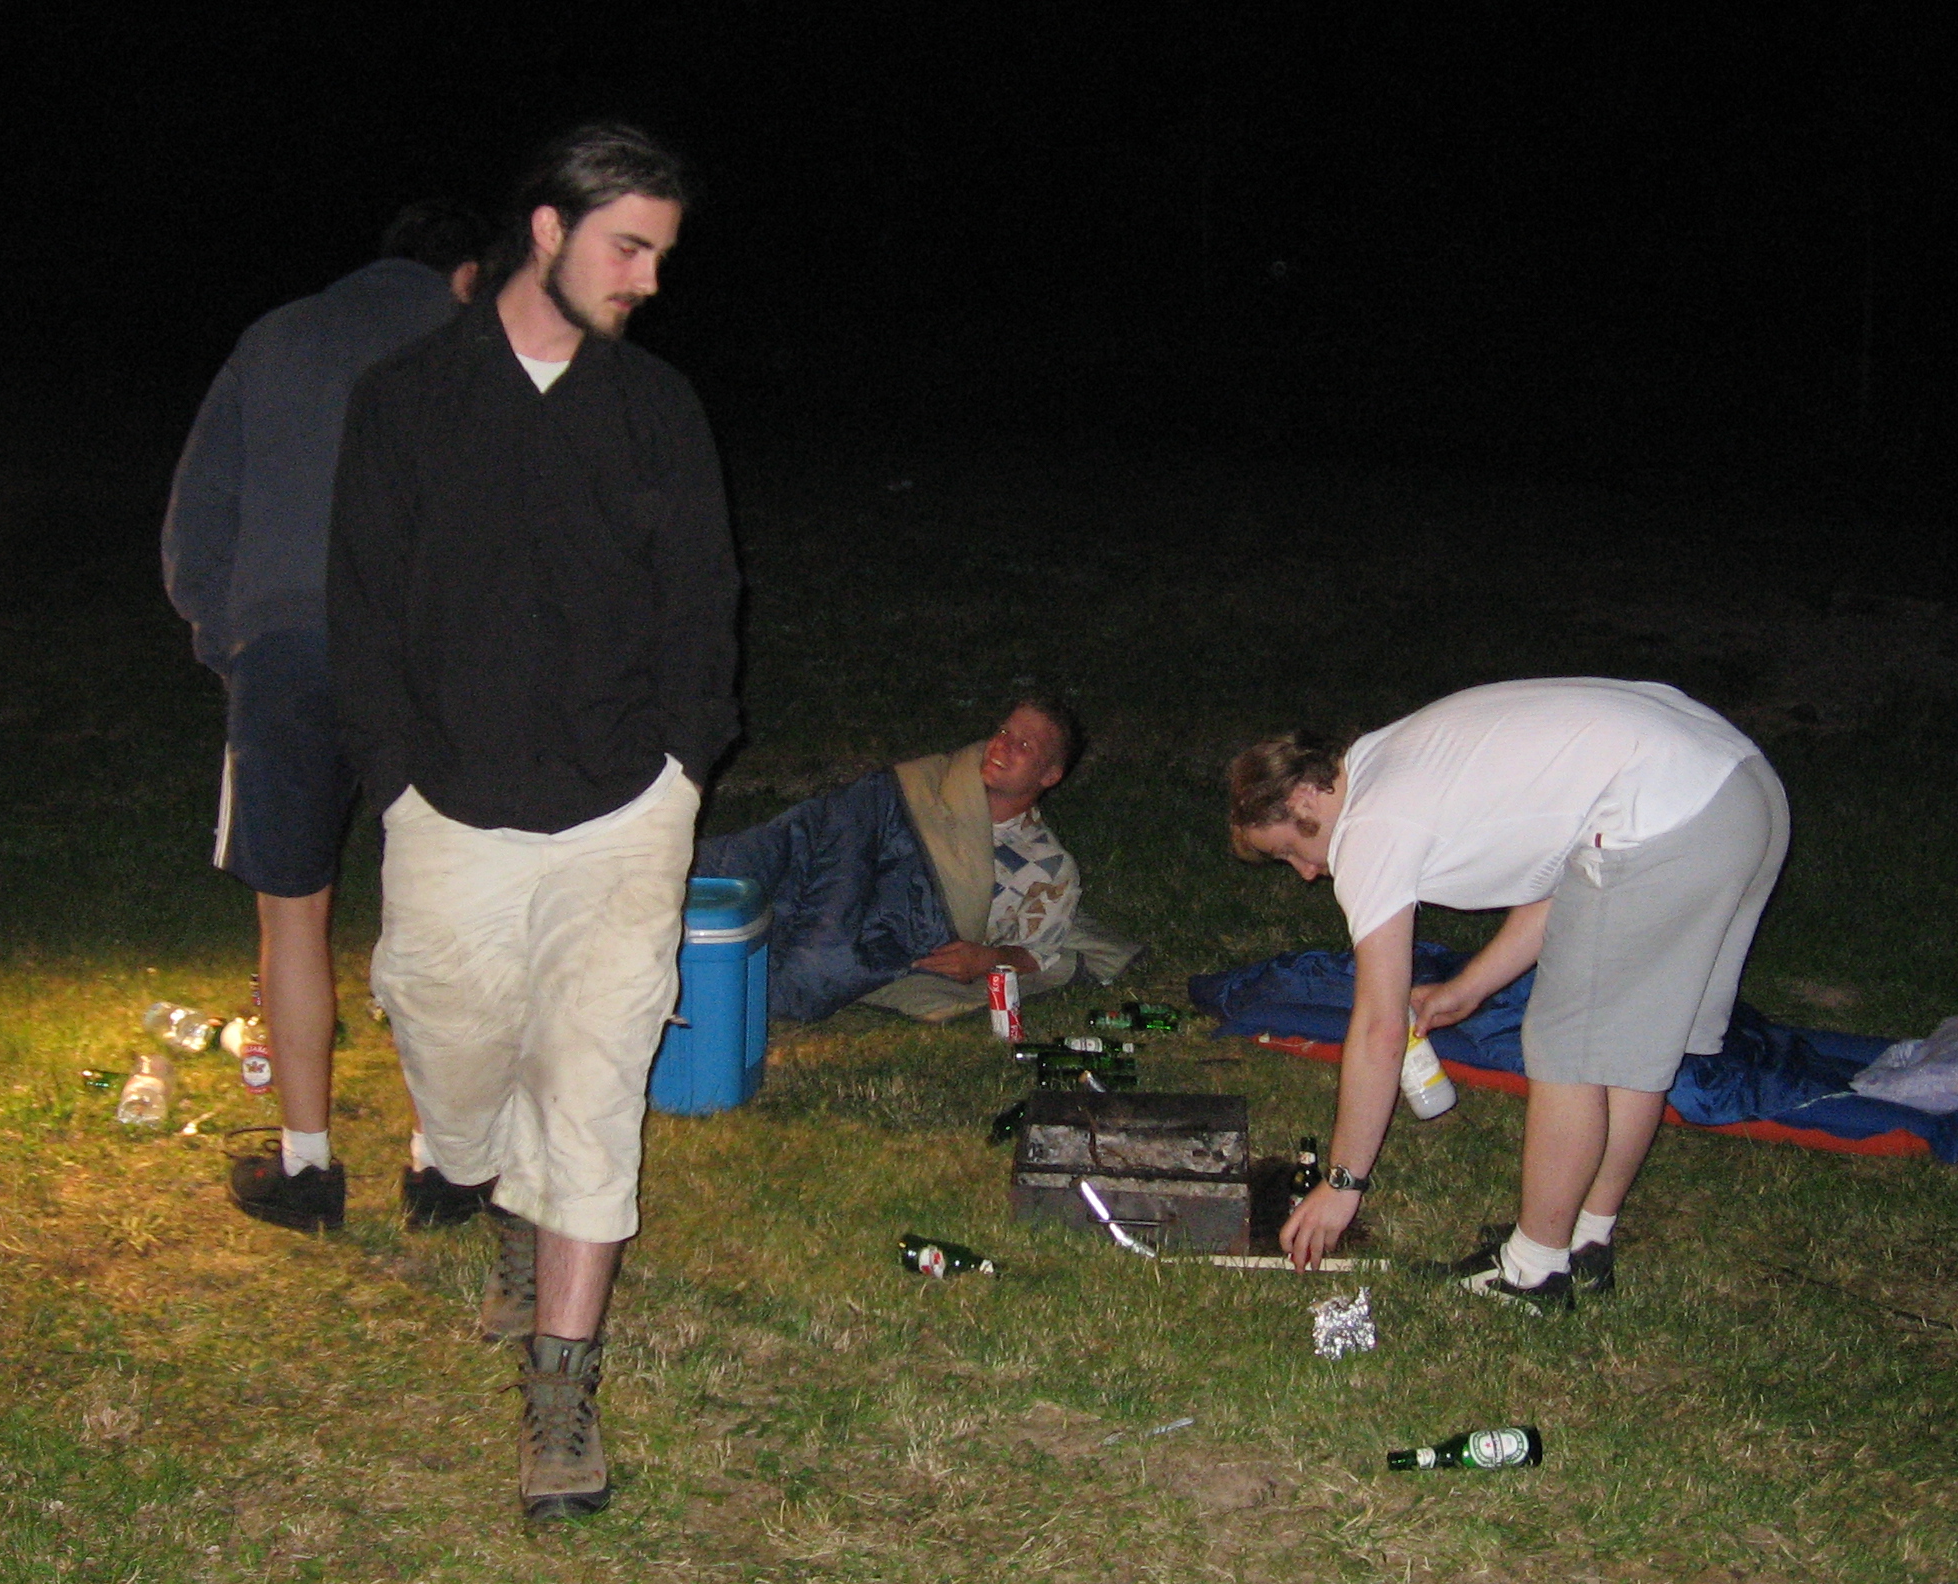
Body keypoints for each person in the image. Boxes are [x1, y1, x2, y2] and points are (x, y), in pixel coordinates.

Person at [326, 123, 736, 1522]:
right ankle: (501, 1186)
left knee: (594, 1078)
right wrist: (394, 777)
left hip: (624, 806)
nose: (648, 280)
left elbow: (705, 599)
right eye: (629, 247)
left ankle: (560, 1397)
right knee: (452, 1051)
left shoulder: (656, 408)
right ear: (547, 232)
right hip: (450, 801)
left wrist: (683, 765)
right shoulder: (405, 399)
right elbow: (359, 608)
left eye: (661, 254)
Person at [1229, 678, 1788, 1312]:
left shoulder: (1370, 826)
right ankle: (1585, 1240)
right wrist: (1468, 988)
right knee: (1630, 1049)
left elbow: (1380, 1026)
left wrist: (1343, 1183)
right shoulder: (1394, 756)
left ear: (1305, 795)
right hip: (1738, 790)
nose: (1306, 872)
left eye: (1292, 850)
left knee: (1568, 1053)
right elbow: (1573, 881)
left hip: (1663, 814)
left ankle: (1533, 1271)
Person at [161, 199, 497, 1236]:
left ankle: (306, 1171)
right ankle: (443, 1166)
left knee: (292, 915)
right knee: (439, 906)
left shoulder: (273, 338)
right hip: (425, 658)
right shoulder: (479, 344)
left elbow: (194, 529)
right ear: (468, 274)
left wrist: (234, 642)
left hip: (287, 650)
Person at [694, 697, 1143, 1024]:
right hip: (863, 834)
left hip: (905, 903)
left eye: (1024, 745)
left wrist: (987, 958)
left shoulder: (1047, 866)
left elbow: (1038, 953)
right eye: (1004, 732)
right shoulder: (943, 779)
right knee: (743, 860)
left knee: (815, 967)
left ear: (1049, 775)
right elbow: (861, 813)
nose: (1001, 746)